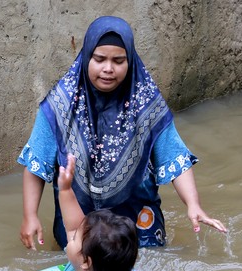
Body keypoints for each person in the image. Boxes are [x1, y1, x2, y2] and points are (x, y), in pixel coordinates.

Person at [18, 16, 227, 251]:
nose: (108, 68)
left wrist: (193, 204)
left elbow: (174, 157)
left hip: (139, 230)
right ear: (87, 56)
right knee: (82, 270)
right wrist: (30, 215)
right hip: (79, 229)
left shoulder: (147, 103)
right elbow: (36, 163)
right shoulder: (59, 106)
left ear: (131, 62)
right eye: (99, 59)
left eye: (118, 60)